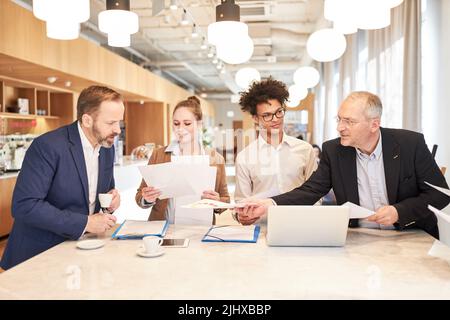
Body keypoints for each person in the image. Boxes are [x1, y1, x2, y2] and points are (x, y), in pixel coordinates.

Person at [237, 91, 450, 239]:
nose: (340, 127)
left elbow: (440, 195)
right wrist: (269, 204)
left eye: (349, 121)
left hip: (410, 234)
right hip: (359, 237)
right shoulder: (334, 150)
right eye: (339, 119)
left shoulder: (409, 144)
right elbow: (311, 191)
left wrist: (398, 211)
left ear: (374, 124)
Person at [1, 86, 123, 270]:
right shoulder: (48, 146)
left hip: (80, 253)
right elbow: (24, 205)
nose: (118, 130)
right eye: (111, 123)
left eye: (119, 122)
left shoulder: (107, 148)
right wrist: (86, 223)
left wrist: (111, 201)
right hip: (37, 256)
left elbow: (98, 195)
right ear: (87, 120)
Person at [135, 96, 229, 223]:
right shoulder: (159, 155)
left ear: (200, 124)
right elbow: (140, 196)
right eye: (176, 123)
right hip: (164, 230)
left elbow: (225, 199)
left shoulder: (216, 159)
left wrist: (217, 201)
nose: (180, 129)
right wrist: (147, 198)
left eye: (187, 123)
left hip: (201, 229)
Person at [234, 77, 317, 203]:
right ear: (256, 118)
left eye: (279, 112)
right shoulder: (244, 157)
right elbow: (242, 202)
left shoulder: (305, 150)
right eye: (267, 115)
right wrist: (241, 214)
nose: (275, 119)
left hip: (301, 220)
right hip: (263, 222)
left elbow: (316, 193)